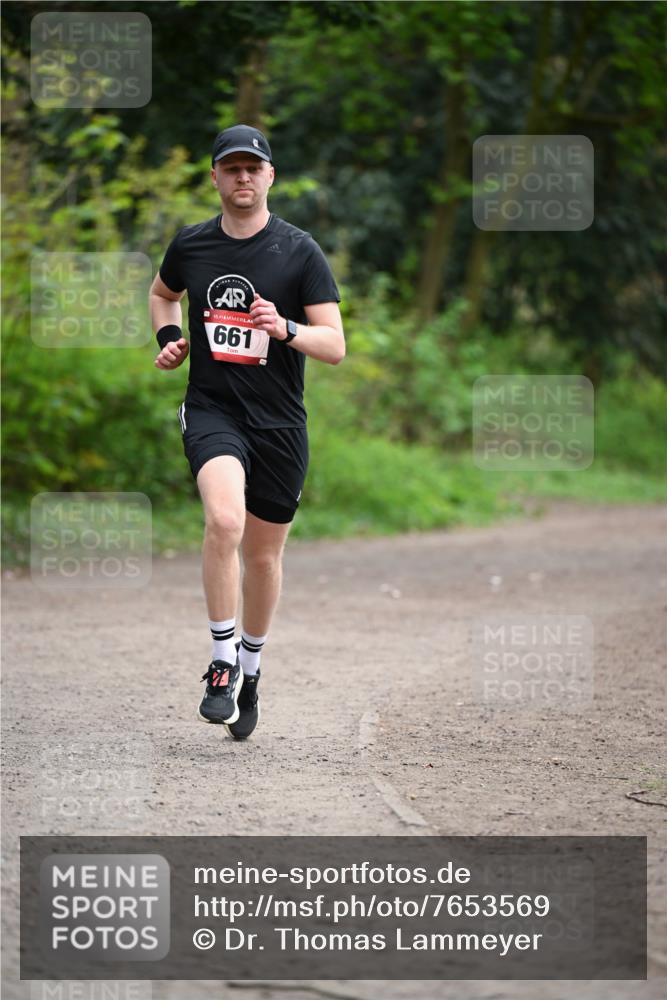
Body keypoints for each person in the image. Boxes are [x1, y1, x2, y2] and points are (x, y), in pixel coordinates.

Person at [149, 124, 344, 740]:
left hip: (280, 423)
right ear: (215, 177)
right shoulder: (193, 245)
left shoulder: (299, 251)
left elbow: (334, 346)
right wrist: (168, 337)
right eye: (230, 168)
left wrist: (283, 327)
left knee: (263, 554)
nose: (241, 178)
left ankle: (252, 670)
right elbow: (162, 295)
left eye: (251, 168)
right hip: (214, 411)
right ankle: (221, 660)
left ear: (269, 177)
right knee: (225, 522)